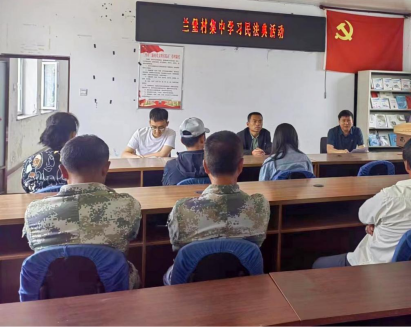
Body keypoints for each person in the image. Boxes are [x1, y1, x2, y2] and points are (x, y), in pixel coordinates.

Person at [313, 134, 411, 268]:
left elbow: (363, 215)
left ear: (407, 165)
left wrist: (375, 222)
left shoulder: (390, 196)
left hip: (375, 269)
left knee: (318, 264)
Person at [23, 135, 142, 289]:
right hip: (111, 291)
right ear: (106, 168)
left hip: (51, 294)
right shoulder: (128, 205)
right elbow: (131, 235)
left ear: (62, 171)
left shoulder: (34, 211)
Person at [164, 131, 270, 285]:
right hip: (243, 287)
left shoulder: (182, 210)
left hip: (192, 288)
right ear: (241, 166)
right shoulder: (259, 205)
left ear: (205, 166)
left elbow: (176, 245)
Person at [22, 112, 79, 193]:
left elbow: (26, 188)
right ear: (73, 135)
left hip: (37, 201)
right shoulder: (81, 161)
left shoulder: (30, 162)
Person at [162, 117, 210, 186]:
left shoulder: (171, 165)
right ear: (202, 139)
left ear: (182, 141)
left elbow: (166, 189)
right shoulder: (216, 163)